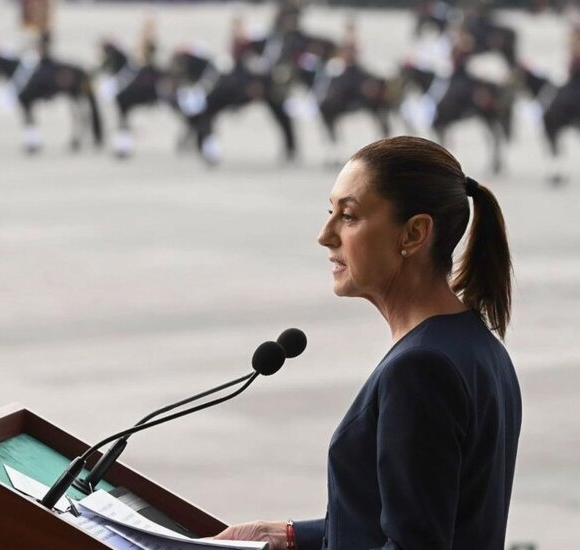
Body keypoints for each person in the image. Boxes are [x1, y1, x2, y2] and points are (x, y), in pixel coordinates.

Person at [215, 135, 522, 550]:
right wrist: (288, 535)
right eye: (331, 212)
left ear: (414, 233)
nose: (325, 235)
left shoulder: (420, 368)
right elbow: (417, 522)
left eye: (350, 216)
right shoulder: (476, 347)